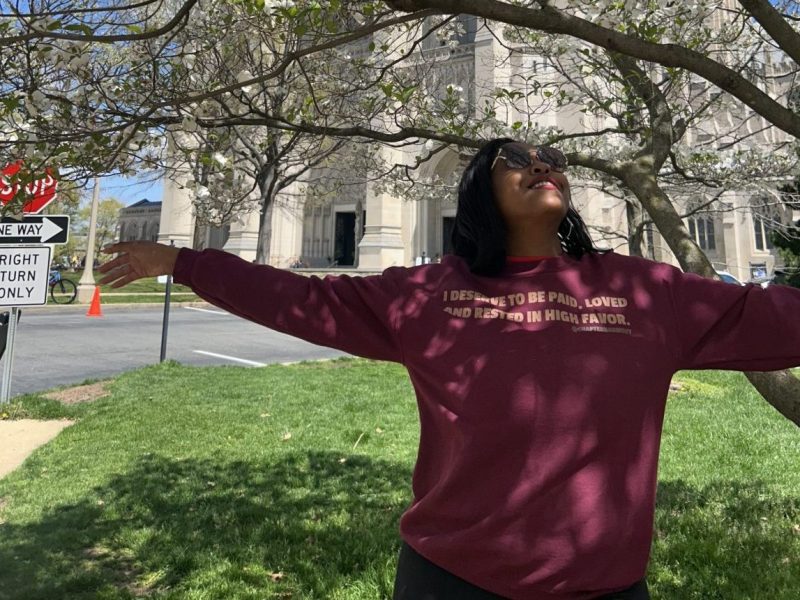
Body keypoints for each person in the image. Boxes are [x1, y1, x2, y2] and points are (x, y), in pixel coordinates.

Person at [99, 138, 800, 600]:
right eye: (515, 160)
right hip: (452, 577)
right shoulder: (429, 294)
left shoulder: (646, 292)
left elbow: (775, 319)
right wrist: (183, 260)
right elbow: (302, 300)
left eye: (551, 156)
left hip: (602, 584)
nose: (541, 163)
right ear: (477, 196)